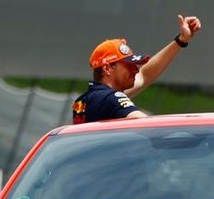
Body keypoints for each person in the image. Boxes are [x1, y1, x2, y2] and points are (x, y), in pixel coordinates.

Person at [72, 14, 202, 123]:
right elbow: (147, 125)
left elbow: (144, 75)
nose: (135, 70)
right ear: (107, 68)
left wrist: (181, 40)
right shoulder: (111, 98)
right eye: (129, 65)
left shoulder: (89, 99)